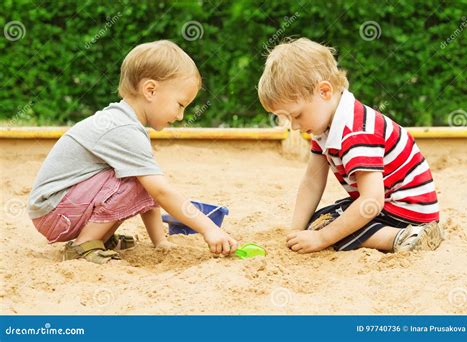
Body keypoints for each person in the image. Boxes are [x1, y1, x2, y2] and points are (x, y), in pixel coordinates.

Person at [28, 40, 238, 264]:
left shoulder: (126, 124)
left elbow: (149, 193)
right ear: (150, 90)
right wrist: (209, 229)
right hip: (55, 214)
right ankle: (83, 245)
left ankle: (100, 238)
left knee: (142, 178)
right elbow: (160, 192)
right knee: (143, 181)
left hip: (59, 211)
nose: (180, 117)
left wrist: (160, 242)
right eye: (180, 104)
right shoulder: (124, 129)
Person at [257, 38, 443, 254]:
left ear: (324, 92)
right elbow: (312, 181)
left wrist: (321, 239)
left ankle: (403, 237)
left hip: (407, 211)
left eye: (297, 115)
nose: (295, 126)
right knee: (319, 221)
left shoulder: (355, 131)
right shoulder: (325, 126)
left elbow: (372, 200)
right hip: (393, 206)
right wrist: (296, 231)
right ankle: (399, 234)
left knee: (331, 232)